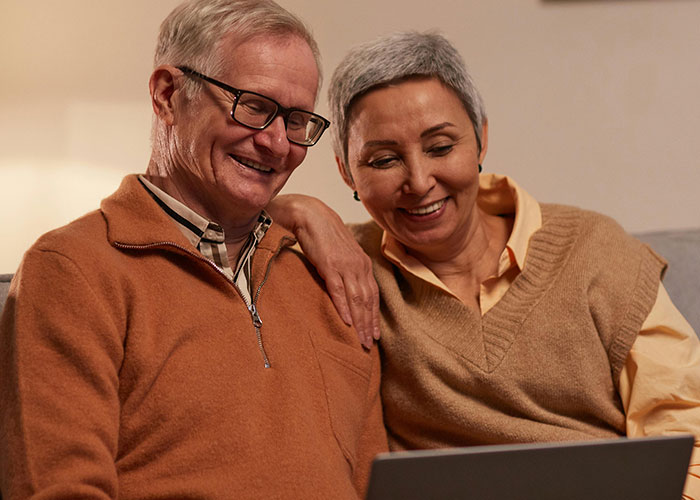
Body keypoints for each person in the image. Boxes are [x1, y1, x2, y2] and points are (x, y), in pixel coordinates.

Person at [271, 31, 700, 498]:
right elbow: (207, 224)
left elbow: (683, 424)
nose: (418, 181)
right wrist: (295, 208)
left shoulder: (597, 249)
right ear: (346, 172)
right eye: (385, 159)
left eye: (440, 148)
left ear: (481, 139)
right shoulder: (345, 270)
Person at [0, 1, 387, 498]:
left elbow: (380, 483)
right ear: (167, 95)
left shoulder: (332, 275)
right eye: (253, 105)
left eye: (295, 120)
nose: (276, 143)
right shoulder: (74, 270)